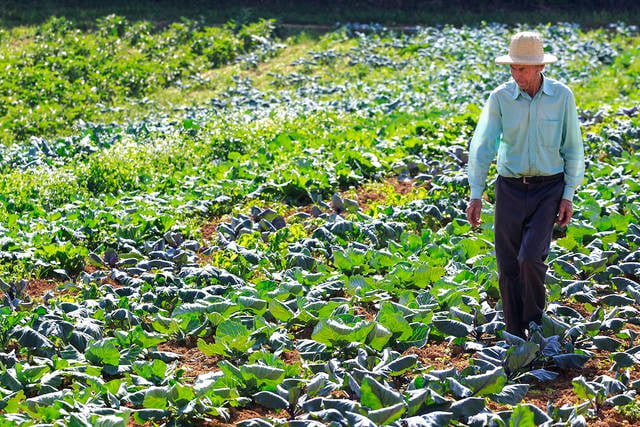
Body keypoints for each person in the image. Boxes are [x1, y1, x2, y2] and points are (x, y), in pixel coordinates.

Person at [465, 31, 585, 339]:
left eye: (523, 68)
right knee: (507, 265)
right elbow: (483, 147)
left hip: (549, 189)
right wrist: (476, 194)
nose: (517, 74)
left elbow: (572, 146)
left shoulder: (562, 97)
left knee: (530, 258)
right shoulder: (501, 98)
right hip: (510, 188)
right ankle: (514, 332)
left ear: (539, 67)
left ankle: (534, 322)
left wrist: (568, 195)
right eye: (513, 67)